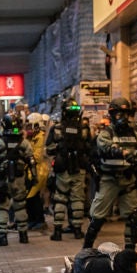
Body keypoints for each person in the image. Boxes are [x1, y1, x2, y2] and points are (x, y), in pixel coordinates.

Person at [84, 97, 137, 251]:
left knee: (133, 216)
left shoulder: (134, 134)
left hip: (128, 180)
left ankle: (130, 251)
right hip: (109, 180)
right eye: (119, 114)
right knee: (97, 217)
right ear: (112, 115)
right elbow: (105, 146)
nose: (123, 117)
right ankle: (86, 249)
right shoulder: (106, 133)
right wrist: (122, 152)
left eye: (125, 114)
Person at [0, 114, 35, 246]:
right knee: (20, 205)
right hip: (20, 179)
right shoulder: (24, 143)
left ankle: (2, 237)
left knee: (2, 207)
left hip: (3, 180)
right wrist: (34, 177)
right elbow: (31, 160)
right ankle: (23, 235)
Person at [45, 99, 92, 241]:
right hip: (79, 168)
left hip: (62, 169)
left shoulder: (57, 128)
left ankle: (57, 232)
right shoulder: (84, 128)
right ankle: (77, 231)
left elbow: (49, 148)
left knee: (60, 198)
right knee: (77, 199)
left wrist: (60, 149)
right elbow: (89, 148)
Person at [24, 112, 49, 231]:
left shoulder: (40, 137)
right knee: (31, 197)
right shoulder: (31, 138)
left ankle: (39, 221)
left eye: (30, 126)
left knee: (32, 197)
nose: (28, 129)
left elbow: (37, 157)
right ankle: (33, 220)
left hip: (39, 171)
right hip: (32, 170)